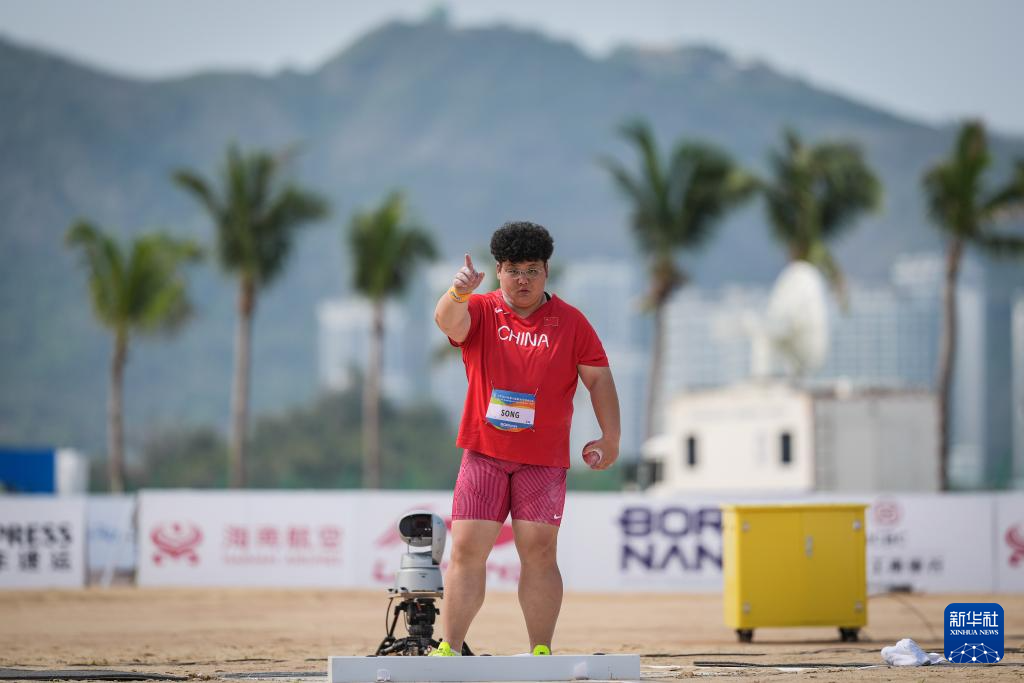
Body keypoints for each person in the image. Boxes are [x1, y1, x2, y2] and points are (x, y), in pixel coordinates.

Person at [430, 221, 621, 657]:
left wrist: (610, 437)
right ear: (499, 270)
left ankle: (541, 651)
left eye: (532, 270)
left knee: (539, 551)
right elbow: (447, 321)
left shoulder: (571, 322)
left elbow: (599, 379)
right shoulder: (480, 309)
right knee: (467, 549)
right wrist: (457, 292)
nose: (523, 280)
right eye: (514, 270)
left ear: (546, 271)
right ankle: (449, 647)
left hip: (543, 460)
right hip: (484, 453)